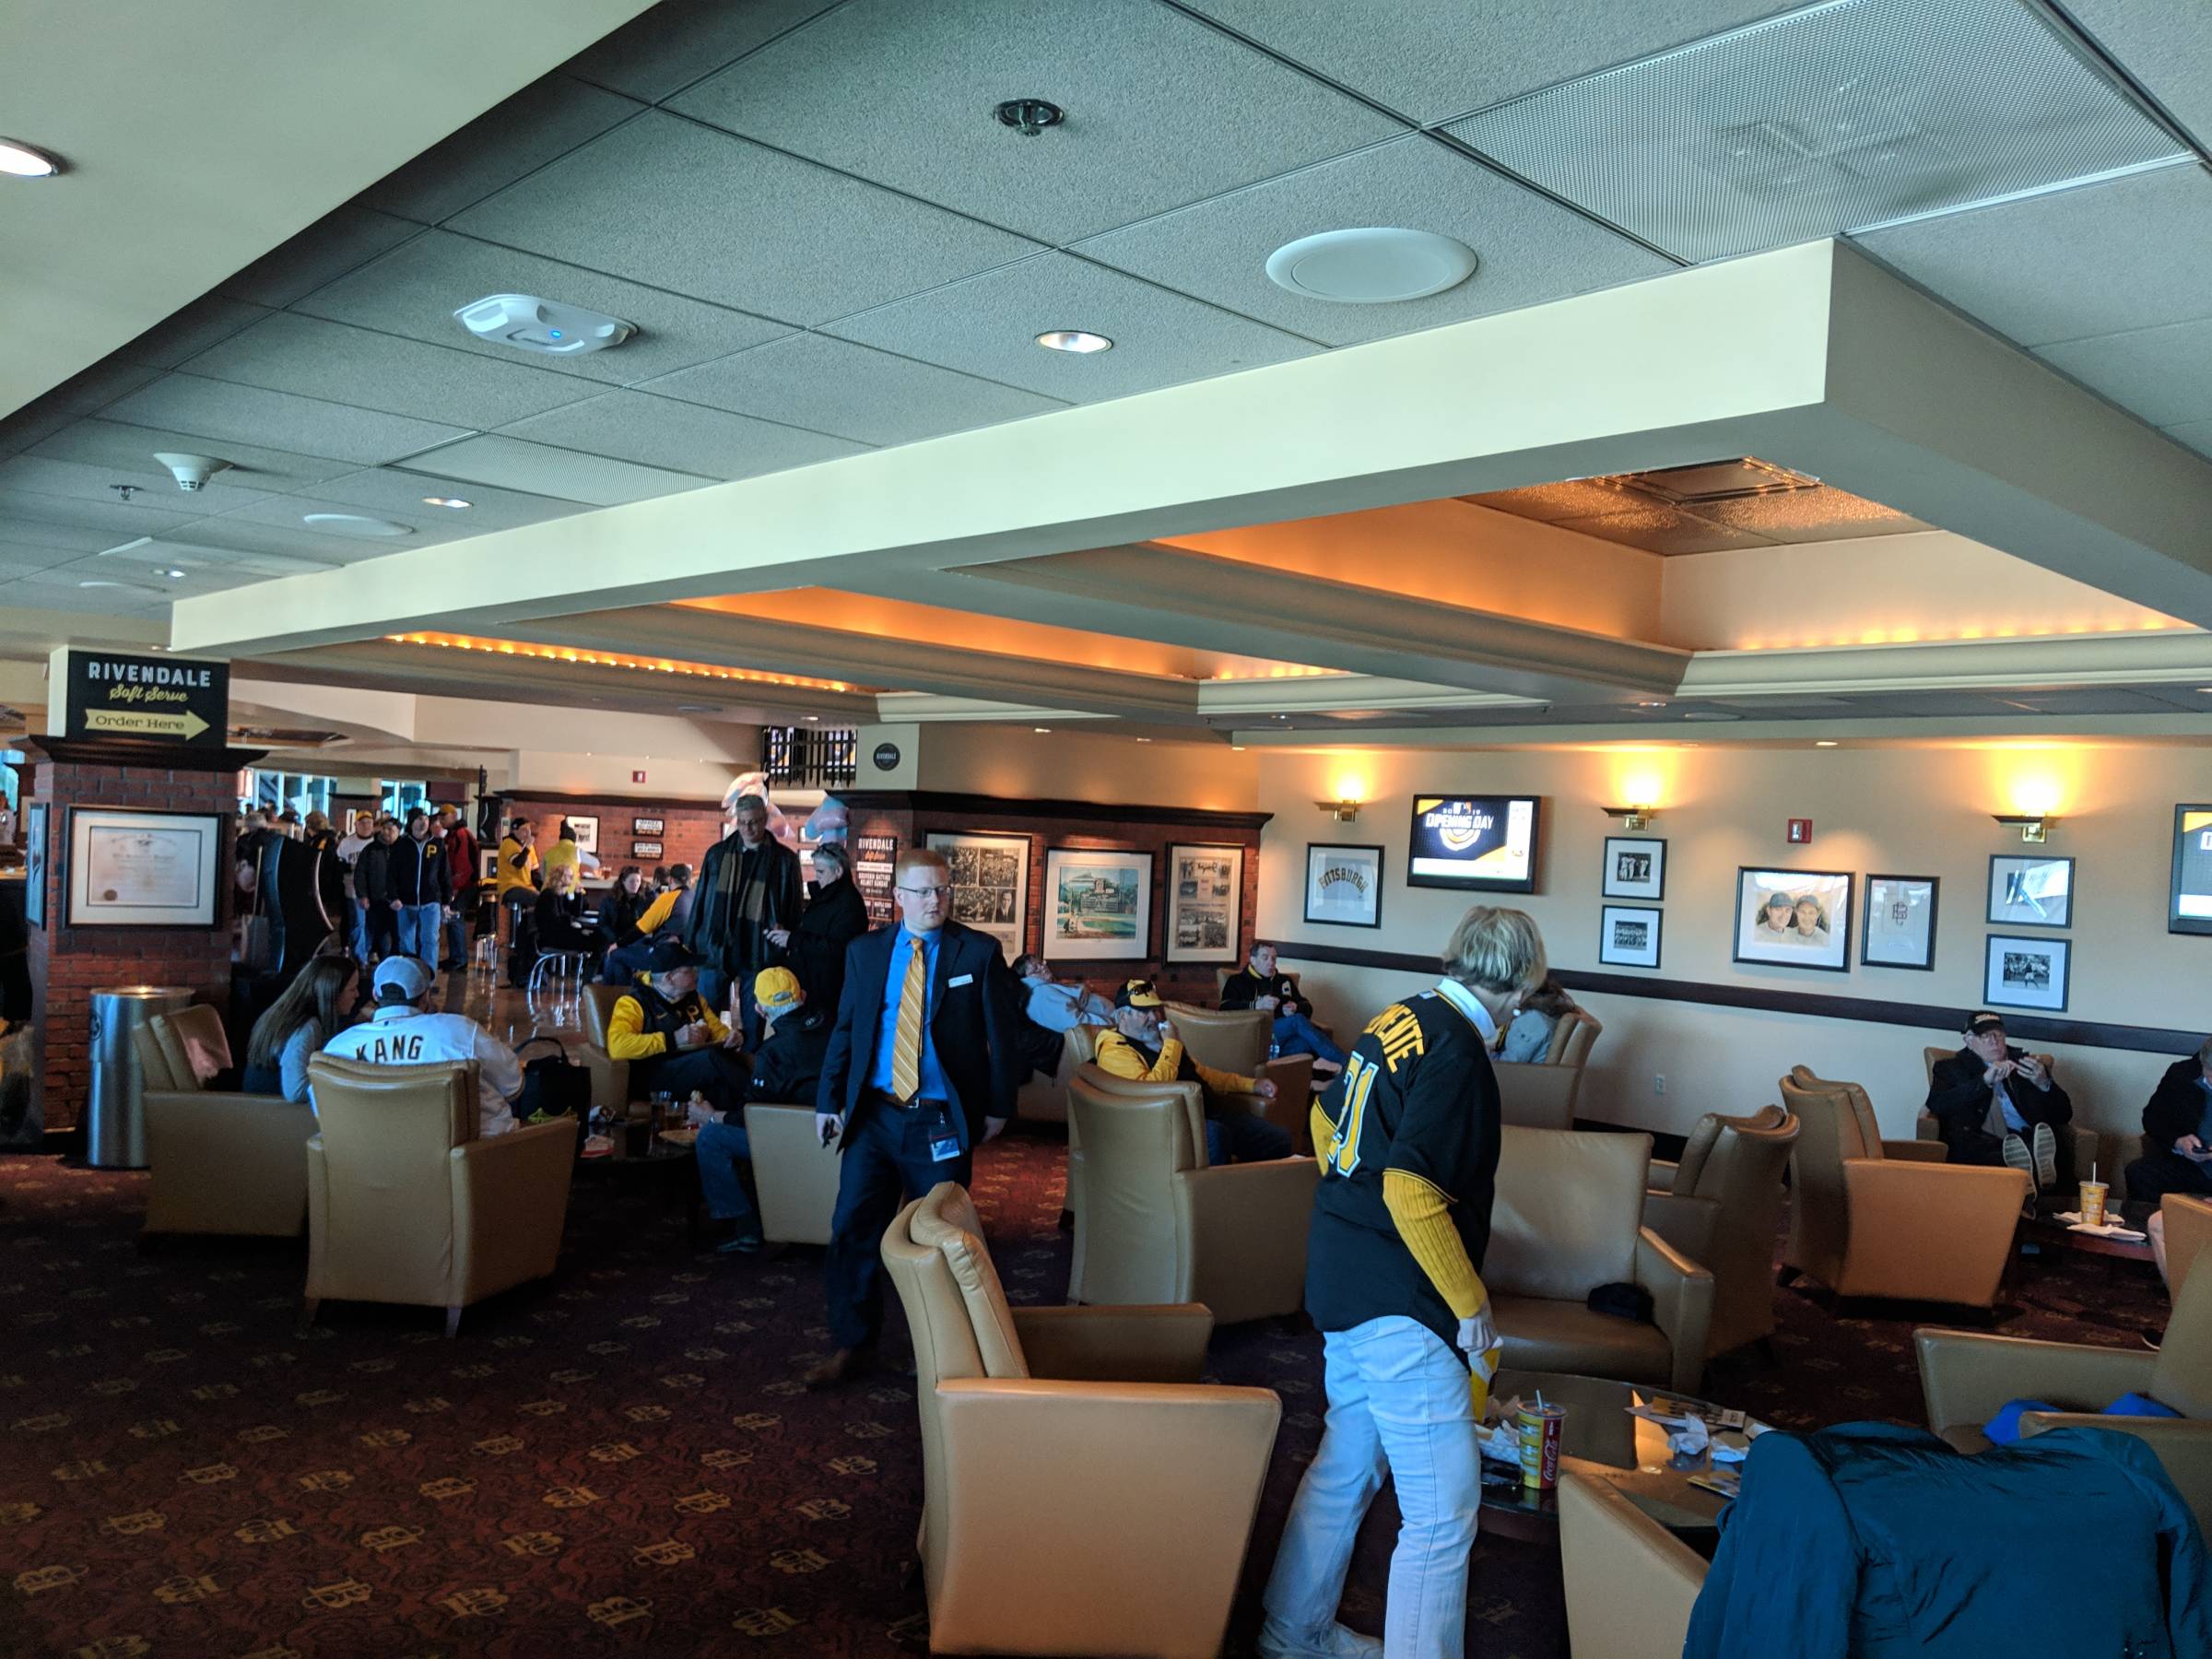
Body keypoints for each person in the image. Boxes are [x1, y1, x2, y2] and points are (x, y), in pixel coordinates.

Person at [1260, 906, 1542, 1659]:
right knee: (1443, 1514)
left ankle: (1291, 1636)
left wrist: (1351, 1201)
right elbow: (1413, 1191)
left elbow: (1326, 1124)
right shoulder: (1459, 1052)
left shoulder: (1400, 1018)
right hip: (1401, 1302)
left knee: (1346, 1462)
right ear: (1516, 986)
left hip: (1339, 1274)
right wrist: (1471, 1306)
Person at [808, 847, 1021, 1387]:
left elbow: (1003, 1035)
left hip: (939, 1120)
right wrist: (828, 1099)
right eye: (923, 891)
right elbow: (848, 1029)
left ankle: (946, 1354)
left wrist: (999, 1105)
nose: (935, 900)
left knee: (941, 1239)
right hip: (875, 1117)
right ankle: (853, 1345)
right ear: (898, 897)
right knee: (852, 1228)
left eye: (943, 890)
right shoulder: (866, 951)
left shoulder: (976, 952)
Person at [694, 967, 836, 1255]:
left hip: (794, 1138)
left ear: (759, 1009)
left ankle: (745, 1227)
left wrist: (709, 1116)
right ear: (803, 995)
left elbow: (752, 1117)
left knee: (711, 1138)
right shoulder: (833, 1027)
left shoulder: (775, 1051)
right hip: (839, 1134)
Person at [316, 956, 522, 1137]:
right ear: (425, 996)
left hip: (368, 1165)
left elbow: (321, 1110)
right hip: (471, 1160)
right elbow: (513, 1084)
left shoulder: (337, 1049)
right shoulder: (459, 1030)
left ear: (376, 996)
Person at [1095, 979, 1292, 1165]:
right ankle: (1213, 1196)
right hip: (1165, 1125)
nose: (1154, 1017)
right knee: (1216, 1134)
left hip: (1204, 1113)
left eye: (1156, 1009)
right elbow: (1152, 1090)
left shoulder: (1156, 1040)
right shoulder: (1114, 1048)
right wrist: (1172, 1043)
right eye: (1144, 1011)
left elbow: (1201, 1073)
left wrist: (1250, 1084)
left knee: (1279, 1139)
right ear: (1122, 1016)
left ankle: (1246, 1192)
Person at [686, 794, 802, 1041]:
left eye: (755, 822)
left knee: (754, 1023)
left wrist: (788, 937)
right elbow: (701, 901)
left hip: (759, 948)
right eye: (743, 822)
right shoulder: (717, 854)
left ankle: (750, 1071)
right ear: (736, 821)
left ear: (765, 820)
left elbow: (793, 906)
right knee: (707, 1019)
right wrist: (692, 941)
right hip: (717, 944)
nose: (748, 828)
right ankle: (707, 1068)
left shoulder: (784, 860)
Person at [1926, 1011, 2073, 1191]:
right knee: (1996, 1153)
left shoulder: (2027, 1064)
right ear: (1969, 1040)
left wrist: (2044, 1083)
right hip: (1982, 1140)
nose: (1994, 1041)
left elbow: (2064, 1114)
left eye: (1999, 1034)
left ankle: (2032, 1172)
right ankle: (2031, 1175)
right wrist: (1984, 1082)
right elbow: (1937, 1104)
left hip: (2031, 1137)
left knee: (2051, 1146)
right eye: (1985, 1036)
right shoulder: (1949, 1068)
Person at [605, 938, 749, 1113]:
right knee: (710, 1060)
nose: (696, 974)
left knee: (721, 1076)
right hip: (651, 1074)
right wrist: (672, 1039)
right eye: (689, 970)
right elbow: (617, 1046)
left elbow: (717, 1031)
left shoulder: (694, 999)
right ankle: (758, 1102)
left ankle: (727, 1128)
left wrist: (731, 1037)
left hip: (692, 1070)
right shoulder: (633, 1003)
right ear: (669, 977)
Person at [770, 841, 868, 1019]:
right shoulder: (827, 896)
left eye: (821, 872)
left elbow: (838, 948)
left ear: (838, 871)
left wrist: (793, 940)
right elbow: (814, 932)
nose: (816, 876)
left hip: (827, 989)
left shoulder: (848, 904)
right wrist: (788, 934)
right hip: (813, 982)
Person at [241, 953, 356, 1101]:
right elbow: (296, 1091)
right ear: (332, 991)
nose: (358, 994)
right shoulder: (308, 1027)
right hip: (274, 1112)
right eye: (352, 989)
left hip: (256, 1107)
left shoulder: (286, 1014)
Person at [1222, 942, 1347, 1070]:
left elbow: (1307, 1007)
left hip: (1281, 1039)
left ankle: (1317, 1080)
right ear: (1253, 960)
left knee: (1305, 1043)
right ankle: (1346, 1063)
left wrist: (1296, 1007)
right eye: (1265, 958)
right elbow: (1225, 1008)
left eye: (1274, 958)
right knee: (1297, 1021)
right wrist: (1256, 1005)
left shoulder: (1284, 981)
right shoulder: (1237, 981)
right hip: (1254, 1033)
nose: (1271, 962)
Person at [2125, 1036, 2212, 1204]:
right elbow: (2152, 1118)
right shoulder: (2181, 1075)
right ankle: (2162, 1225)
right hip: (2190, 1166)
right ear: (2202, 1063)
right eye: (2210, 1075)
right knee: (2139, 1173)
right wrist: (2178, 1142)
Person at [600, 863, 695, 986]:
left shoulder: (669, 898)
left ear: (671, 880)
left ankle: (615, 995)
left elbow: (642, 928)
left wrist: (618, 944)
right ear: (690, 881)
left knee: (615, 954)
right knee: (624, 953)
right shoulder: (695, 898)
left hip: (664, 956)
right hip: (688, 955)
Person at [386, 808, 452, 970]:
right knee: (406, 942)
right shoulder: (401, 845)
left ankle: (428, 979)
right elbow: (391, 873)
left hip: (430, 901)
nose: (423, 823)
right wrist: (393, 896)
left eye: (425, 819)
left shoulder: (437, 844)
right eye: (418, 819)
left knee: (430, 940)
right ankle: (410, 975)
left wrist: (446, 900)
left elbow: (445, 873)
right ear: (411, 822)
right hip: (405, 901)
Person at [1013, 953, 1114, 1032]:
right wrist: (1114, 1025)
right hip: (1111, 1027)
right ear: (1027, 978)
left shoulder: (1043, 989)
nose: (1043, 967)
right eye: (1036, 968)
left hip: (1113, 1019)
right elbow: (1077, 1023)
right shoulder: (1041, 995)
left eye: (1041, 963)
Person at [495, 818, 542, 989]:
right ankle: (526, 932)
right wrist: (528, 846)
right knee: (537, 902)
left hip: (526, 887)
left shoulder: (530, 847)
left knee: (542, 900)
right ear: (514, 831)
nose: (527, 833)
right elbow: (518, 863)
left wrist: (545, 891)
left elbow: (535, 874)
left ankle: (529, 930)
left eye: (529, 830)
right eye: (523, 830)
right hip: (510, 887)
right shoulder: (508, 844)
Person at [534, 862, 602, 973]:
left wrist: (578, 894)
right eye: (569, 876)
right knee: (595, 941)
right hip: (552, 938)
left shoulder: (560, 894)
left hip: (561, 933)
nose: (572, 878)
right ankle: (589, 976)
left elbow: (575, 913)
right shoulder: (549, 895)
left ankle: (590, 974)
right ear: (560, 877)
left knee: (598, 936)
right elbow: (554, 922)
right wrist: (576, 928)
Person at [438, 806, 479, 972]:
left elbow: (462, 864)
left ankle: (460, 959)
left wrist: (455, 886)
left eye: (444, 816)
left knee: (455, 919)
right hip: (461, 884)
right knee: (453, 919)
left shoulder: (461, 835)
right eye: (440, 817)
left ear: (454, 816)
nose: (441, 820)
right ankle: (456, 957)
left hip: (464, 885)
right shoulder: (453, 835)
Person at [1499, 976, 1579, 1064]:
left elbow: (1510, 1063)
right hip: (1535, 1073)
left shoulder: (1533, 1018)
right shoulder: (1553, 1009)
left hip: (1519, 1074)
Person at [355, 817, 402, 962]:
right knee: (378, 932)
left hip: (399, 901)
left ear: (398, 832)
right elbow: (361, 873)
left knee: (398, 934)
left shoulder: (404, 850)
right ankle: (379, 959)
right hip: (377, 899)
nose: (387, 832)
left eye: (391, 829)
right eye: (385, 829)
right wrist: (362, 895)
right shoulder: (371, 849)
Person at [598, 865, 653, 953]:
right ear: (623, 881)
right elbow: (602, 923)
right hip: (615, 939)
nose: (635, 884)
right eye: (632, 881)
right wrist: (616, 939)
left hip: (638, 940)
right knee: (613, 956)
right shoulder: (610, 899)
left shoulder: (646, 898)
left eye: (638, 881)